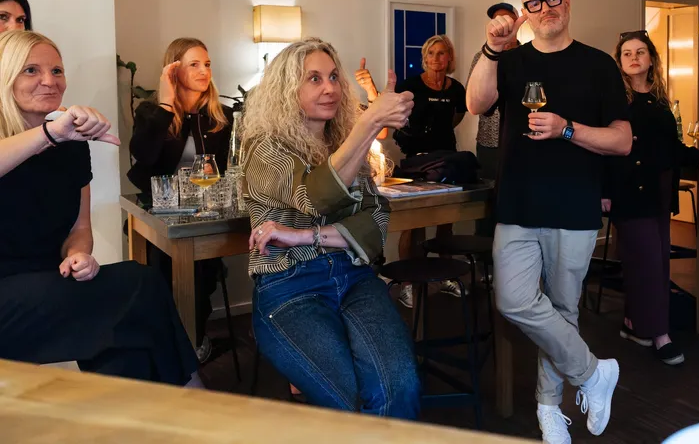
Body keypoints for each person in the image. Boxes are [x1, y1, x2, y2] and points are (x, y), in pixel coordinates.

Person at [466, 0, 632, 443]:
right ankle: (594, 373)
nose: (545, 9)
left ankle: (549, 413)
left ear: (568, 0)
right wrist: (494, 47)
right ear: (524, 12)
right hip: (518, 204)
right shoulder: (511, 61)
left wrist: (567, 129)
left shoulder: (599, 64)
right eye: (533, 3)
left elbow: (622, 141)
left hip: (575, 205)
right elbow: (477, 102)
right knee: (513, 299)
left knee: (563, 310)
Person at [0, 29, 201, 387]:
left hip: (49, 282)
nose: (49, 81)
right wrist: (50, 134)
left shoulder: (71, 144)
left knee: (126, 339)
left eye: (57, 71)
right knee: (140, 286)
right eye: (31, 70)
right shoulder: (46, 136)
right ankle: (194, 405)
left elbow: (79, 228)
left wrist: (79, 256)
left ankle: (140, 422)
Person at [242, 38, 420, 417]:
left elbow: (377, 219)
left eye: (335, 77)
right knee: (348, 399)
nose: (331, 88)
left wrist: (304, 235)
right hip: (289, 284)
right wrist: (370, 122)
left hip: (354, 276)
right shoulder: (266, 149)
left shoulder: (342, 143)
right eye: (314, 78)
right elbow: (316, 197)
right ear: (288, 90)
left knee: (400, 386)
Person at [602, 30, 699, 367]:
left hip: (660, 190)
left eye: (640, 52)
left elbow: (670, 145)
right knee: (648, 262)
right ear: (619, 62)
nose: (634, 58)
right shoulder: (613, 100)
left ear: (651, 59)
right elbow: (604, 147)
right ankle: (660, 334)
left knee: (653, 259)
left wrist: (697, 157)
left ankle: (633, 323)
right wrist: (604, 190)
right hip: (627, 190)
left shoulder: (662, 101)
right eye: (626, 53)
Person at [128, 37, 233, 363]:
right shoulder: (151, 113)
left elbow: (230, 169)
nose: (204, 71)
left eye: (208, 64)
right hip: (159, 214)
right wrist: (165, 105)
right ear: (174, 70)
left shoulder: (222, 117)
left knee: (200, 275)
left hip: (204, 215)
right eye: (194, 64)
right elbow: (142, 155)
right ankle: (167, 346)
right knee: (159, 273)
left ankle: (193, 342)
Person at [355, 34, 467, 307]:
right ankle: (408, 283)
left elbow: (457, 117)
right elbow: (388, 115)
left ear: (449, 58)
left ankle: (444, 275)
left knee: (446, 220)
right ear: (425, 58)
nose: (437, 59)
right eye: (432, 54)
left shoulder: (456, 89)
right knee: (414, 225)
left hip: (445, 159)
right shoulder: (411, 86)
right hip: (415, 162)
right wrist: (370, 88)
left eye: (442, 53)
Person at [467, 2, 520, 238]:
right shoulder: (482, 56)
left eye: (507, 19)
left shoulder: (526, 55)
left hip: (518, 139)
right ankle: (483, 252)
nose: (503, 24)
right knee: (487, 196)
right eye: (497, 20)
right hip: (489, 140)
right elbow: (473, 98)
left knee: (515, 195)